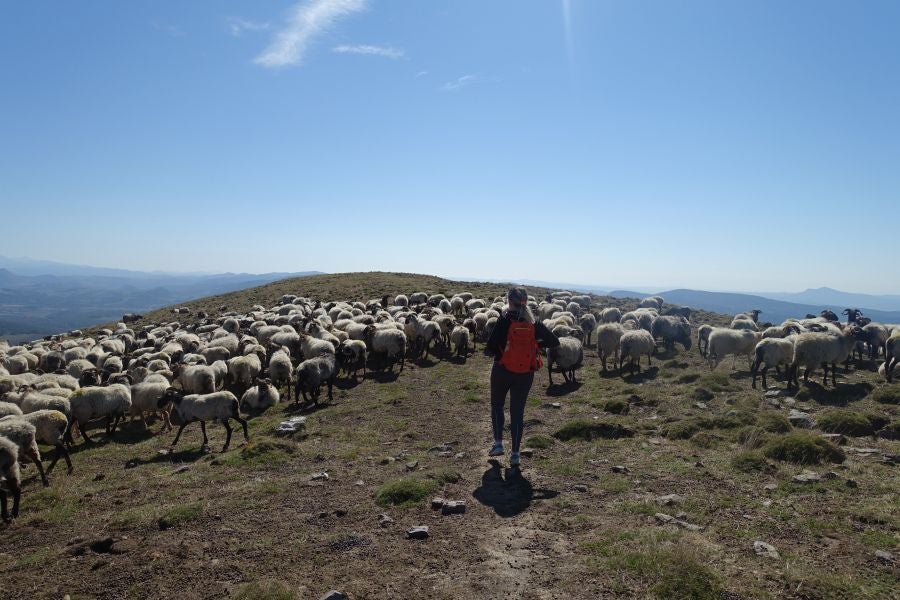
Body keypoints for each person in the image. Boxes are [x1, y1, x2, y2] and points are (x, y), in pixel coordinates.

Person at [484, 287, 559, 467]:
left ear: (509, 301)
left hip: (502, 370)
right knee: (517, 413)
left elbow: (489, 349)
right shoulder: (533, 323)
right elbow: (554, 342)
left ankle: (499, 443)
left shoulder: (503, 320)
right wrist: (534, 343)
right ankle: (516, 454)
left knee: (497, 405)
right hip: (525, 374)